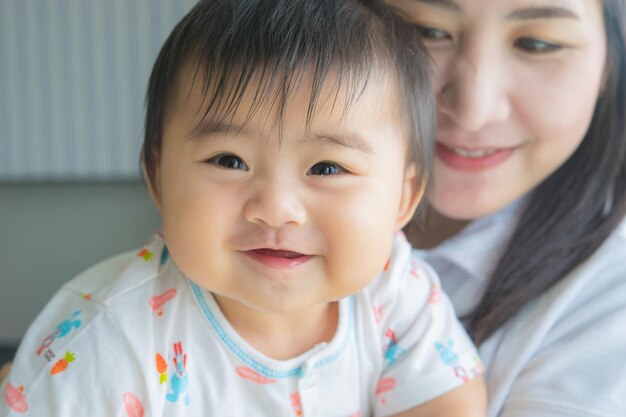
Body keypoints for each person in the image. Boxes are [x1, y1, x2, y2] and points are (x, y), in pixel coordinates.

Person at [0, 1, 487, 416]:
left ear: (403, 198)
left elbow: (448, 401)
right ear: (158, 178)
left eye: (327, 168)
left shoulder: (393, 288)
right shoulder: (107, 343)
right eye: (229, 160)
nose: (276, 210)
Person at [383, 0, 626, 416]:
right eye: (427, 32)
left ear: (609, 61)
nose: (473, 110)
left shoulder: (609, 299)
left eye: (536, 43)